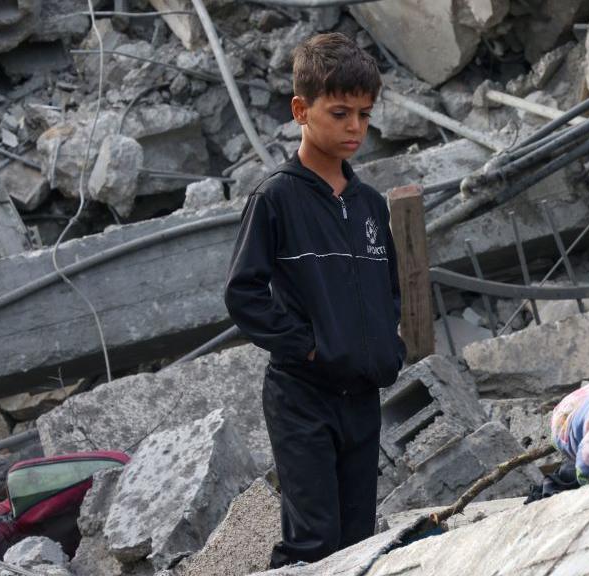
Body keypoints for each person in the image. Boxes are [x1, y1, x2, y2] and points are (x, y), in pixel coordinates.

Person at [223, 32, 405, 567]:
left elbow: (387, 289)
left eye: (365, 115)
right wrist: (308, 348)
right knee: (313, 541)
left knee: (358, 541)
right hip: (302, 396)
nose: (355, 128)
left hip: (361, 398)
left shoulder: (369, 206)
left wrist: (384, 350)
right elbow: (244, 294)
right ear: (301, 110)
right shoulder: (275, 198)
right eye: (340, 112)